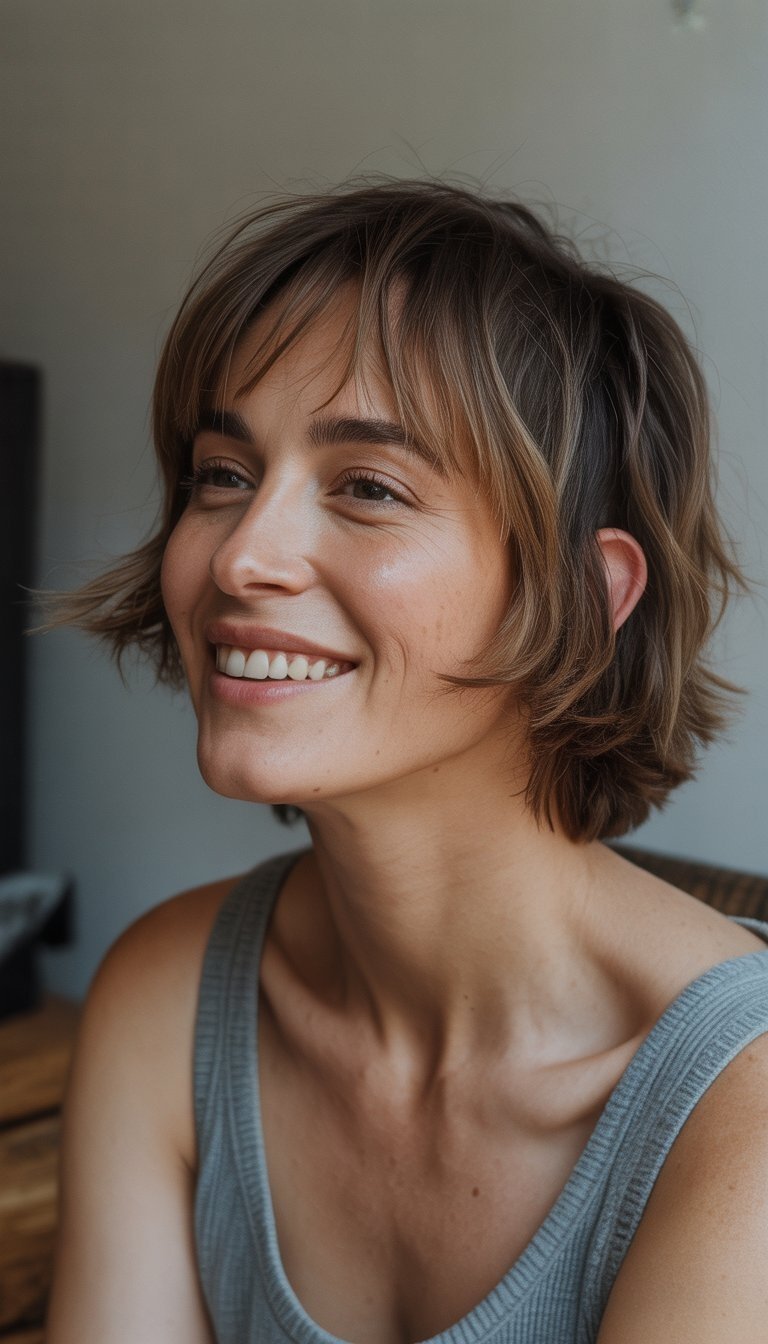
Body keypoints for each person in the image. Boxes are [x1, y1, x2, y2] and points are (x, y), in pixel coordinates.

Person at [45, 179, 768, 1344]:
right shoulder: (168, 996)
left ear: (586, 595)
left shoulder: (742, 1116)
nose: (242, 557)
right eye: (222, 475)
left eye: (368, 489)